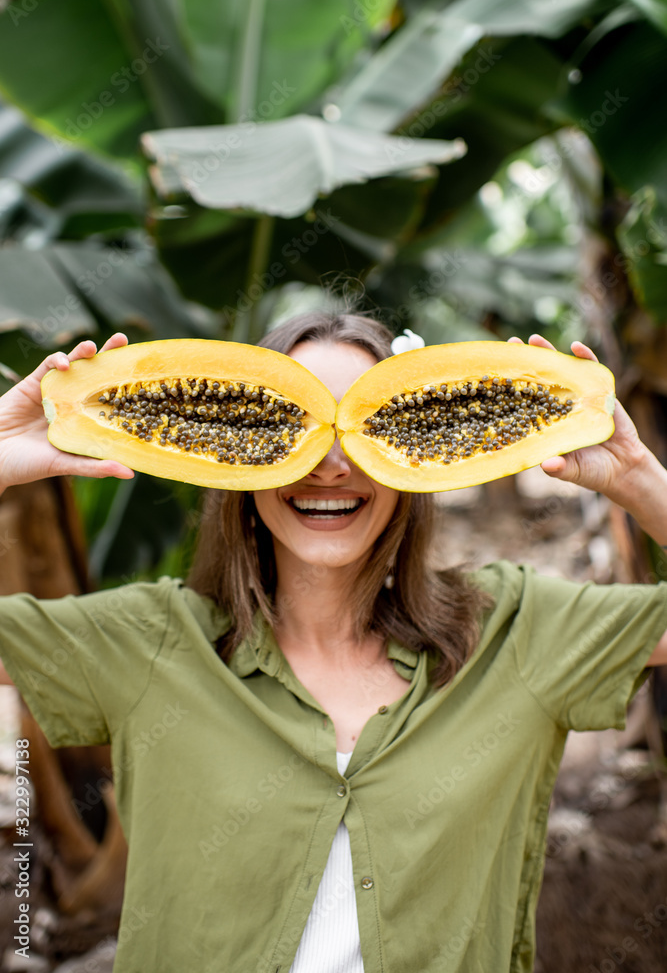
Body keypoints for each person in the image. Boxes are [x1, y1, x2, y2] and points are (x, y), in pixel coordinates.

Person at [0, 311, 666, 973]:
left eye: (365, 429)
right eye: (292, 430)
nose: (331, 465)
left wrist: (637, 478)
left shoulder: (514, 629)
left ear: (416, 460)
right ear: (233, 455)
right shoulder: (147, 642)